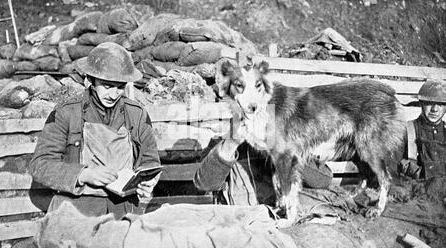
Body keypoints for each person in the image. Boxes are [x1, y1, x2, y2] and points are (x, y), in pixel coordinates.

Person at [29, 42, 161, 219]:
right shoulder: (67, 113)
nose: (114, 94)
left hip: (123, 211)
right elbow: (40, 165)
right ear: (91, 80)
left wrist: (147, 182)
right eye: (107, 86)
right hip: (76, 210)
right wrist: (84, 174)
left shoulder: (137, 114)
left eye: (120, 87)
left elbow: (150, 161)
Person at [193, 102, 333, 208]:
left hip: (277, 218)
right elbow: (204, 184)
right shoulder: (221, 143)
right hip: (240, 219)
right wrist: (231, 143)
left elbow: (323, 180)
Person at [399, 79, 446, 202]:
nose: (435, 109)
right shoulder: (407, 131)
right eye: (429, 103)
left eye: (440, 104)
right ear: (421, 104)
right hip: (416, 198)